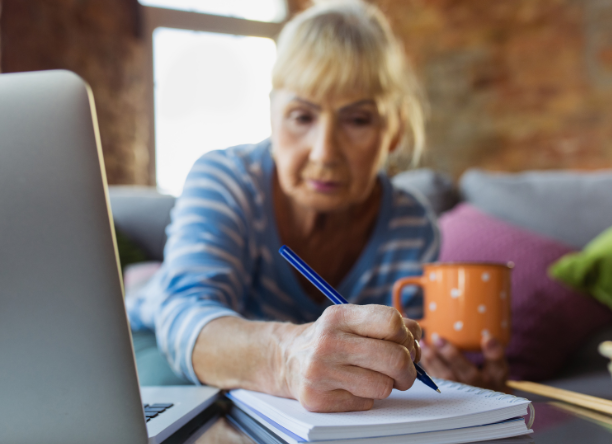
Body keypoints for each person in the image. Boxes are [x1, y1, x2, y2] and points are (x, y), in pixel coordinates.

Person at [127, 0, 508, 413]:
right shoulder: (225, 181)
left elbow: (396, 368)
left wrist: (441, 372)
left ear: (393, 131)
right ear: (272, 115)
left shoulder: (411, 226)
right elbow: (184, 316)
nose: (325, 152)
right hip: (157, 349)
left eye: (357, 120)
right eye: (301, 116)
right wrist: (284, 357)